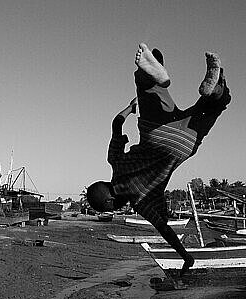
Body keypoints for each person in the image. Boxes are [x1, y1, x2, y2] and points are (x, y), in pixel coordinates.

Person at [87, 43, 231, 275]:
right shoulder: (115, 162)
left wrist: (185, 256)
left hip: (182, 144)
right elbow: (116, 123)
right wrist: (130, 108)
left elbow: (166, 230)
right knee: (150, 91)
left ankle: (216, 90)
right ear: (104, 184)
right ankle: (151, 76)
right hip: (157, 131)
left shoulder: (143, 201)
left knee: (215, 106)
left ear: (109, 204)